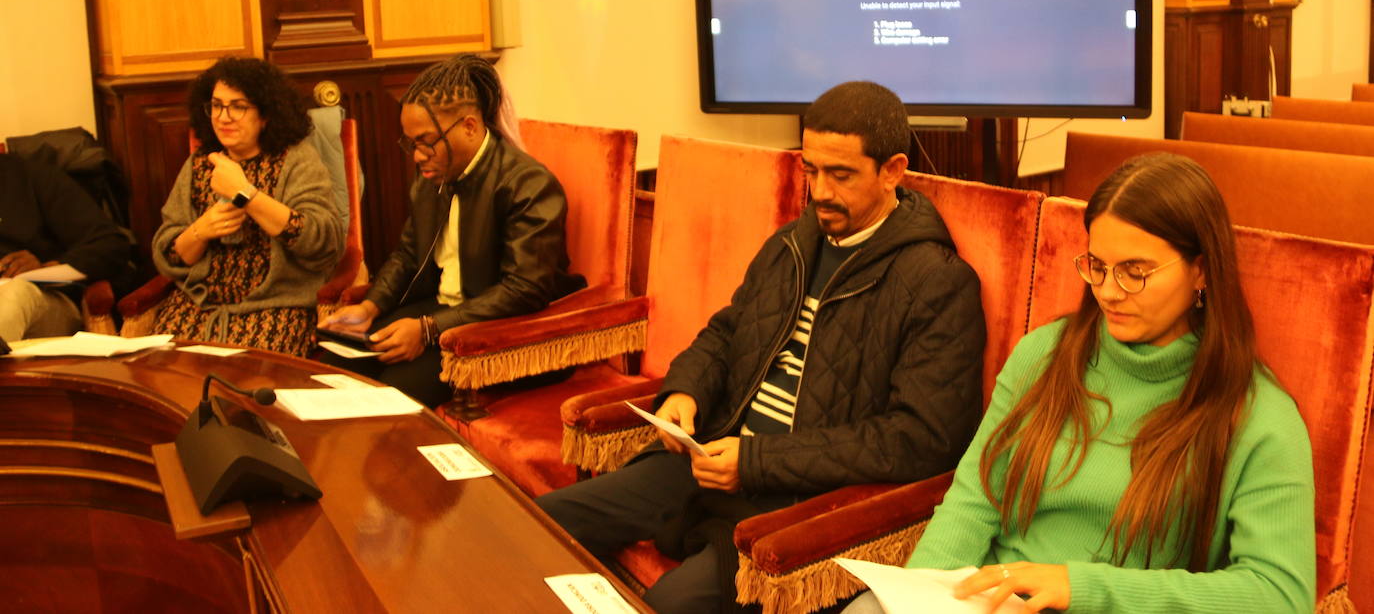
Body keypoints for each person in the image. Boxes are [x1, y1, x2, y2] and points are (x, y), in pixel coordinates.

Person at [537, 80, 985, 614]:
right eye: (811, 170)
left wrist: (757, 461)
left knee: (671, 604)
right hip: (711, 455)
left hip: (795, 502)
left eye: (841, 175)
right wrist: (685, 392)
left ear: (892, 171)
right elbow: (727, 333)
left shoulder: (937, 281)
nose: (820, 191)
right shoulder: (793, 244)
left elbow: (921, 439)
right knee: (540, 521)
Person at [843, 152, 1315, 614]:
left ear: (1202, 270)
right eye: (1097, 266)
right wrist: (914, 597)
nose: (1109, 291)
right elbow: (976, 500)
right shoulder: (1046, 355)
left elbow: (1278, 594)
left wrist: (1082, 586)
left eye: (1135, 272)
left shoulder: (1259, 416)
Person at [319, 54, 584, 406]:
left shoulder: (529, 184)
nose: (416, 155)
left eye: (426, 141)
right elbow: (408, 254)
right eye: (410, 143)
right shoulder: (434, 175)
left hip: (498, 331)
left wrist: (428, 329)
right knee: (329, 367)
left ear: (470, 127)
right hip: (442, 313)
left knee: (390, 399)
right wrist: (371, 305)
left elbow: (523, 290)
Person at [150, 57, 343, 356]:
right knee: (164, 379)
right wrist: (200, 231)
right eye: (216, 105)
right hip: (198, 308)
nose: (223, 117)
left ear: (265, 114)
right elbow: (169, 255)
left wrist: (245, 194)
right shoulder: (201, 163)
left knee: (246, 387)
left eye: (238, 106)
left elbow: (322, 241)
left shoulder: (296, 160)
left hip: (274, 310)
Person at [0, 150, 130, 342]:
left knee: (17, 293)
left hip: (42, 300)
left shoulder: (31, 177)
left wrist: (47, 267)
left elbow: (110, 244)